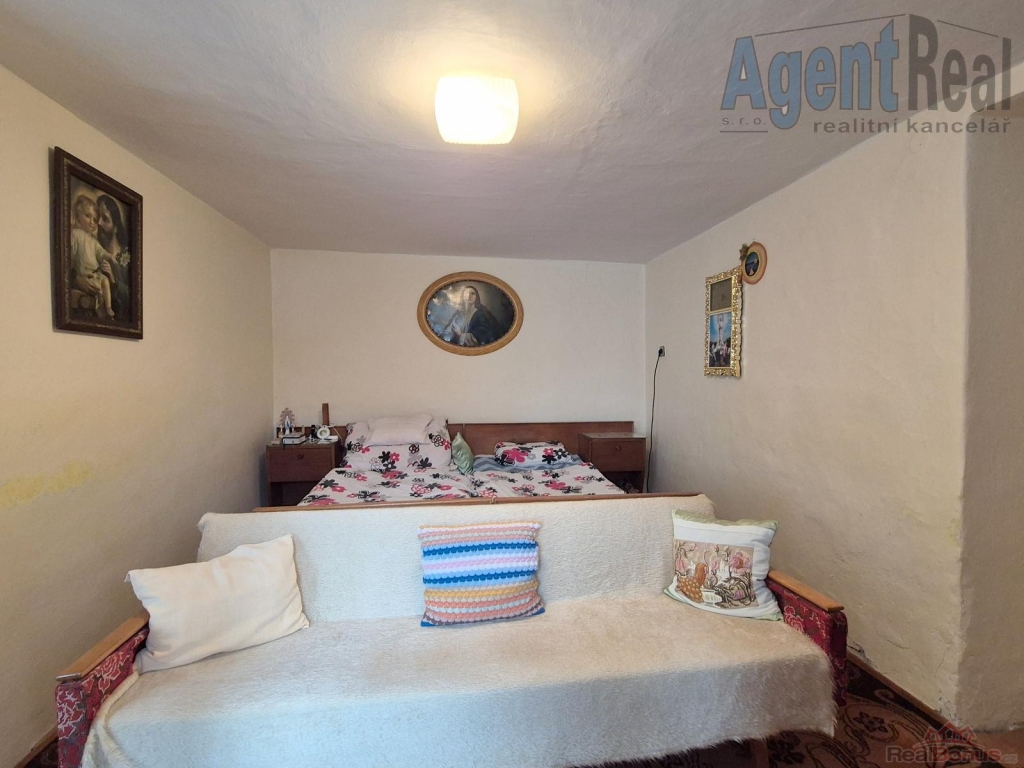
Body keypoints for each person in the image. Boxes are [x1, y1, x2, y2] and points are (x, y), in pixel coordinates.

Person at [70, 194, 117, 319]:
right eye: (87, 216)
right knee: (96, 291)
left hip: (95, 272)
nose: (92, 222)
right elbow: (70, 256)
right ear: (78, 216)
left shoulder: (93, 240)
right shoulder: (75, 234)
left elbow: (101, 252)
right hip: (83, 273)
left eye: (95, 219)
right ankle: (100, 312)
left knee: (105, 281)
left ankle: (108, 307)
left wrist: (110, 256)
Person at [96, 194, 131, 319]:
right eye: (98, 216)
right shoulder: (95, 250)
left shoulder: (125, 257)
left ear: (115, 227)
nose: (99, 223)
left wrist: (112, 278)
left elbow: (130, 297)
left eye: (105, 219)